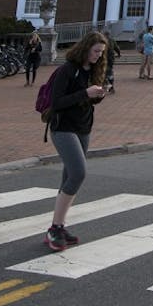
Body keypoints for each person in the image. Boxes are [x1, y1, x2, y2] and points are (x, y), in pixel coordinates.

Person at [42, 31, 108, 252]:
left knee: (69, 177)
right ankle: (55, 227)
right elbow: (57, 102)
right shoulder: (67, 70)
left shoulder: (94, 71)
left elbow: (87, 100)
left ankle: (58, 225)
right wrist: (85, 93)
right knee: (78, 173)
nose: (99, 56)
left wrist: (97, 96)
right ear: (86, 48)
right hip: (63, 128)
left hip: (83, 128)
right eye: (96, 51)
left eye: (101, 53)